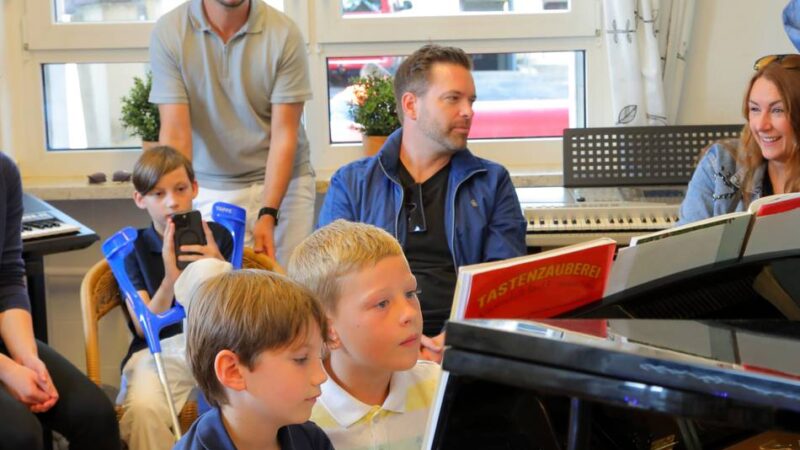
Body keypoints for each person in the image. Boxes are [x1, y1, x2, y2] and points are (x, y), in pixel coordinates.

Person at [318, 44, 527, 356]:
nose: (468, 111)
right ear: (411, 105)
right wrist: (399, 344)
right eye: (453, 99)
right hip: (374, 348)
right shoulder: (351, 183)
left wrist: (457, 336)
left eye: (471, 100)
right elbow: (331, 285)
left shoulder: (492, 182)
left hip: (463, 344)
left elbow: (504, 281)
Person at [149, 0, 315, 267]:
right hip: (209, 183)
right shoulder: (170, 31)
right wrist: (177, 203)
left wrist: (268, 212)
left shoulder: (284, 33)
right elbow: (176, 134)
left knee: (290, 291)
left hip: (284, 184)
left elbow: (284, 135)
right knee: (213, 294)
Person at [0, 151, 120, 449]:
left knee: (96, 415)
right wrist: (8, 371)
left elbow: (8, 278)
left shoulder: (4, 172)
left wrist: (27, 358)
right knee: (20, 434)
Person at [288, 219, 441, 450]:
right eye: (382, 304)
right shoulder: (296, 417)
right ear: (329, 331)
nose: (409, 313)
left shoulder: (439, 387)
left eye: (410, 293)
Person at [120, 146, 234, 450]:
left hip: (214, 345)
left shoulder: (219, 236)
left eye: (180, 189)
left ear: (194, 188)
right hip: (158, 351)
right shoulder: (133, 250)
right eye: (158, 194)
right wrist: (171, 278)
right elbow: (144, 327)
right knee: (143, 409)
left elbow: (238, 312)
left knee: (238, 402)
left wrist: (219, 263)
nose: (172, 201)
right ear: (140, 199)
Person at [177, 270, 334, 450]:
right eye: (301, 359)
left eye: (320, 355)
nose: (321, 376)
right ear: (233, 371)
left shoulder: (311, 439)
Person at [678, 54, 800, 224]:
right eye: (755, 109)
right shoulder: (719, 163)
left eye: (777, 110)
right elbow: (686, 245)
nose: (760, 125)